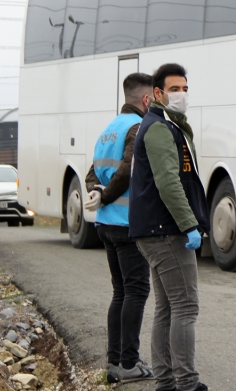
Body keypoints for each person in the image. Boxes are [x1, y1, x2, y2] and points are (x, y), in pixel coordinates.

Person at [129, 63, 210, 391]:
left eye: (185, 89)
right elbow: (167, 182)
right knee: (186, 306)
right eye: (175, 89)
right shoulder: (161, 127)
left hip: (155, 228)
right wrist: (189, 224)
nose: (182, 95)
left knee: (168, 306)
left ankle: (166, 381)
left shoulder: (168, 125)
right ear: (157, 94)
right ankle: (187, 383)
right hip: (166, 230)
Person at [84, 73, 155, 383]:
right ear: (147, 100)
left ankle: (115, 362)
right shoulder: (137, 128)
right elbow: (127, 169)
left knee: (120, 292)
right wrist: (109, 193)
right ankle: (128, 363)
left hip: (105, 224)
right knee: (136, 291)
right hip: (128, 225)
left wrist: (98, 195)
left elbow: (90, 175)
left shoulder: (108, 130)